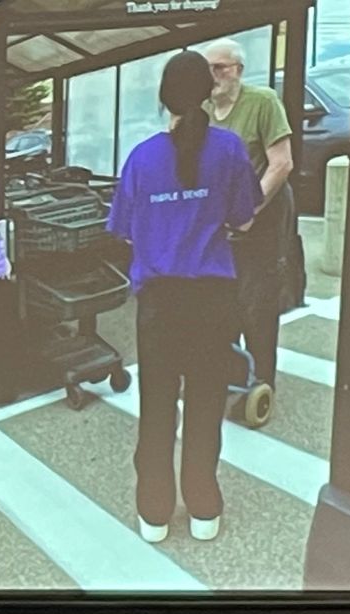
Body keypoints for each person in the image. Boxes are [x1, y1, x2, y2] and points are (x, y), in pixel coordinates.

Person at [106, 51, 262, 545]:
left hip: (159, 302)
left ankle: (154, 512)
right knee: (205, 402)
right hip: (213, 299)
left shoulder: (141, 158)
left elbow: (124, 231)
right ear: (208, 92)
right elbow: (245, 218)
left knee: (157, 406)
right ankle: (203, 507)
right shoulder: (231, 150)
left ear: (162, 98)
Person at [204, 39, 298, 399]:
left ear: (238, 71)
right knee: (222, 295)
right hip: (222, 218)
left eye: (221, 68)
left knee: (257, 298)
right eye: (208, 69)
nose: (214, 76)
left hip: (265, 212)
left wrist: (249, 211)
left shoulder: (262, 103)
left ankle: (262, 381)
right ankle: (230, 368)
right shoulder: (202, 108)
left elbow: (282, 164)